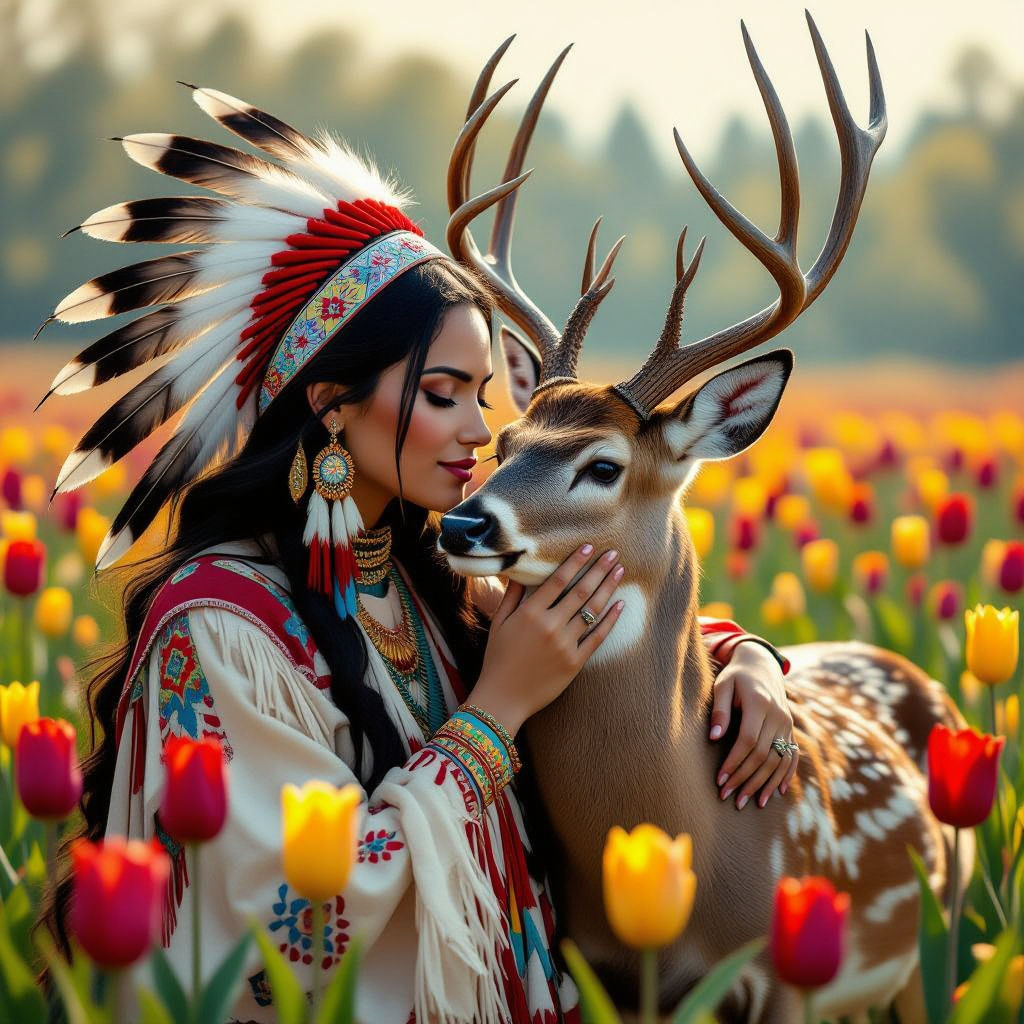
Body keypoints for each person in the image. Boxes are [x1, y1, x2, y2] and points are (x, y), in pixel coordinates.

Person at [37, 78, 797, 1023]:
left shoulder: (425, 576)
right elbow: (298, 926)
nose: (483, 431)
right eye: (445, 393)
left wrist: (750, 663)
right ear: (332, 404)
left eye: (486, 394)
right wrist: (496, 712)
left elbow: (620, 622)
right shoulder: (223, 631)